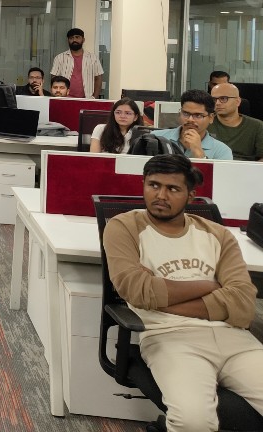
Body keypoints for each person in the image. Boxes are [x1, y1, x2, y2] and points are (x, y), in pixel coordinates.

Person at [103, 154, 263, 431]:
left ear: (191, 195)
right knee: (193, 421)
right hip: (170, 338)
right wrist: (210, 286)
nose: (161, 195)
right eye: (154, 185)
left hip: (235, 339)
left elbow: (243, 304)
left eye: (173, 188)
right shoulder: (124, 227)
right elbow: (137, 290)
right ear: (143, 184)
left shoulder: (218, 235)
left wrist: (159, 296)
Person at [153, 89, 233, 160]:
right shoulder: (155, 138)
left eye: (198, 115)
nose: (190, 119)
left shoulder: (222, 151)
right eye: (186, 113)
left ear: (211, 118)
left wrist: (199, 154)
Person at [208, 82, 263, 161]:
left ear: (238, 101)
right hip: (214, 166)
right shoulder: (206, 123)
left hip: (246, 167)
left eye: (223, 98)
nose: (217, 103)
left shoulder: (257, 126)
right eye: (214, 99)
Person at [50, 27, 103, 98]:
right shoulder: (59, 58)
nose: (74, 40)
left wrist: (94, 97)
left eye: (77, 37)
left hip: (87, 99)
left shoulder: (93, 58)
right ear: (68, 40)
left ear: (83, 40)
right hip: (64, 98)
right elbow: (54, 79)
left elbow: (98, 78)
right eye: (71, 38)